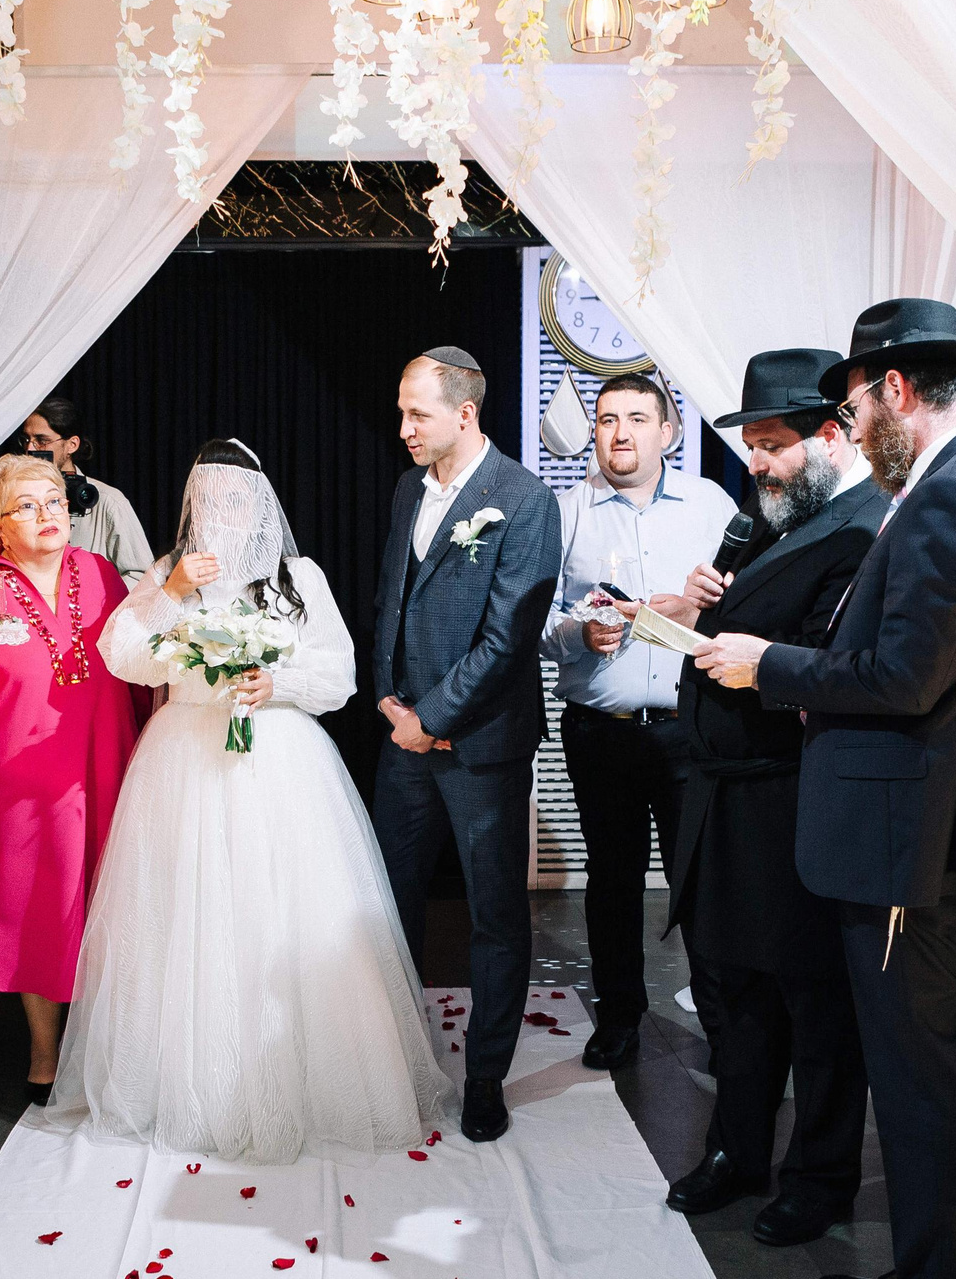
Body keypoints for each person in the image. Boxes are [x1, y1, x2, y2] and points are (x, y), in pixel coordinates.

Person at [694, 299, 956, 1279]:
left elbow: (904, 678)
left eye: (851, 404)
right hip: (921, 828)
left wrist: (771, 667)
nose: (851, 427)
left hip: (908, 840)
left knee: (921, 1097)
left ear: (894, 389)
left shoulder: (955, 495)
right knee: (918, 1088)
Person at [49, 440, 452, 1162]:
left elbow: (338, 674)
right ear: (193, 505)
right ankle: (190, 1080)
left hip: (278, 758)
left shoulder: (298, 577)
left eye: (235, 498)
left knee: (280, 912)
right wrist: (169, 595)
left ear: (259, 504)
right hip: (183, 757)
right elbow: (121, 655)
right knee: (187, 917)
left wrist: (279, 684)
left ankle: (295, 1078)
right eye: (208, 499)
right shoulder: (171, 574)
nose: (221, 512)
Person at [648, 351, 883, 1256]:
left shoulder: (863, 529)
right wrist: (701, 604)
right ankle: (736, 1152)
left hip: (793, 798)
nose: (756, 462)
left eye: (773, 444)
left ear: (830, 435)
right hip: (724, 802)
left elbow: (813, 664)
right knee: (735, 1000)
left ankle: (817, 1178)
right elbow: (729, 645)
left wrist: (735, 634)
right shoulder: (765, 522)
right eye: (750, 445)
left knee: (814, 1006)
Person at [369, 347, 560, 1144]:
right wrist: (384, 685)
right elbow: (394, 595)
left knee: (494, 916)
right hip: (401, 735)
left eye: (418, 413)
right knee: (388, 904)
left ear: (465, 413)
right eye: (403, 411)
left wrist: (433, 715)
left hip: (480, 744)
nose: (404, 427)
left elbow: (508, 636)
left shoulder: (523, 499)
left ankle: (485, 1077)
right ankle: (399, 1061)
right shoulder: (409, 486)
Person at [0, 453, 140, 1101]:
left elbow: (138, 654)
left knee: (106, 904)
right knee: (43, 912)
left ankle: (105, 1044)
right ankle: (43, 1050)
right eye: (30, 505)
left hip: (101, 764)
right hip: (19, 781)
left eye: (57, 502)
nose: (48, 515)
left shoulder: (98, 573)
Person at [538, 372, 736, 1070]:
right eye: (607, 419)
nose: (619, 432)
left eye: (635, 418)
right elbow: (541, 618)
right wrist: (576, 633)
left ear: (667, 432)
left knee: (703, 882)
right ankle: (620, 1016)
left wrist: (711, 601)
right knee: (613, 879)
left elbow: (741, 608)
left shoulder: (711, 506)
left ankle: (721, 1019)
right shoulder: (567, 512)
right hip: (603, 729)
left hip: (691, 728)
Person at [24, 397, 154, 581]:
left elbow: (141, 576)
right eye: (27, 439)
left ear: (72, 444)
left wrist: (98, 602)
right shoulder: (19, 500)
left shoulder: (108, 501)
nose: (30, 448)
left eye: (41, 440)